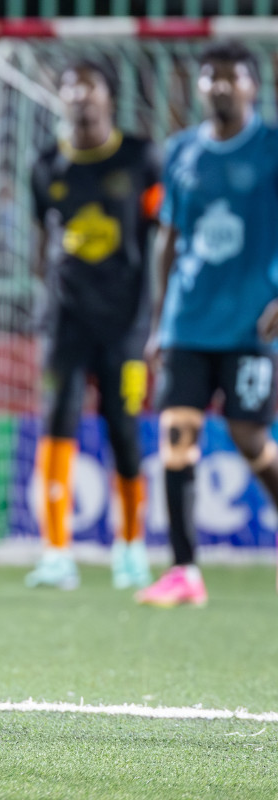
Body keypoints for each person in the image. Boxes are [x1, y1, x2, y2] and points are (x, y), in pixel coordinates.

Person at [136, 42, 278, 608]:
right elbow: (168, 237)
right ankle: (184, 572)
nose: (219, 86)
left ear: (252, 86)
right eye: (209, 77)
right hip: (187, 323)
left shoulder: (271, 148)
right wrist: (157, 322)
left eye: (231, 77)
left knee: (248, 438)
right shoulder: (181, 152)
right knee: (178, 438)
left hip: (250, 325)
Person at [24, 62, 160, 592]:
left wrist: (155, 323)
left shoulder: (142, 158)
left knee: (124, 428)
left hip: (127, 324)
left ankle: (131, 549)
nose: (80, 95)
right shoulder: (46, 165)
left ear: (108, 98)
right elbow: (43, 238)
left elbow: (163, 234)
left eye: (90, 86)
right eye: (70, 86)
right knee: (56, 422)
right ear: (60, 99)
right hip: (65, 322)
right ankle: (56, 553)